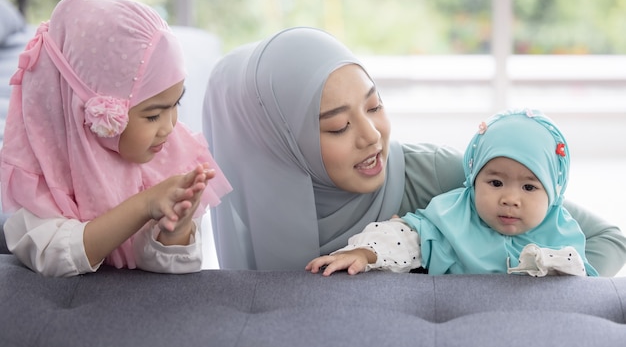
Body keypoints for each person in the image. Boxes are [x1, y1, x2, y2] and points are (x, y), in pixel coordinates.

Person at [203, 26, 626, 275]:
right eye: (338, 126)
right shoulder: (251, 201)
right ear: (280, 143)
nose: (372, 136)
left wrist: (544, 294)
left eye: (375, 106)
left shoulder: (442, 174)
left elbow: (608, 238)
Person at [0, 0, 232, 277]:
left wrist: (177, 227)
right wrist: (144, 205)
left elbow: (168, 269)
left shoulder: (164, 158)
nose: (170, 126)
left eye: (176, 105)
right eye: (153, 115)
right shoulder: (43, 183)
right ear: (85, 111)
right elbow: (53, 256)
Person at [306, 108, 598, 277]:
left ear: (553, 193)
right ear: (473, 179)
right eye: (495, 183)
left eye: (529, 187)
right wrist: (364, 253)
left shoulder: (563, 235)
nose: (510, 198)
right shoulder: (452, 218)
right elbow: (404, 238)